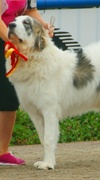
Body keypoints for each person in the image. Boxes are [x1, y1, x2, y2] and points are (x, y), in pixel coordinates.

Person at [0, 0, 54, 165]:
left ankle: (2, 151)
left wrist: (43, 27)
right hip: (8, 38)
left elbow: (30, 11)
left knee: (9, 98)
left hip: (10, 40)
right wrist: (13, 40)